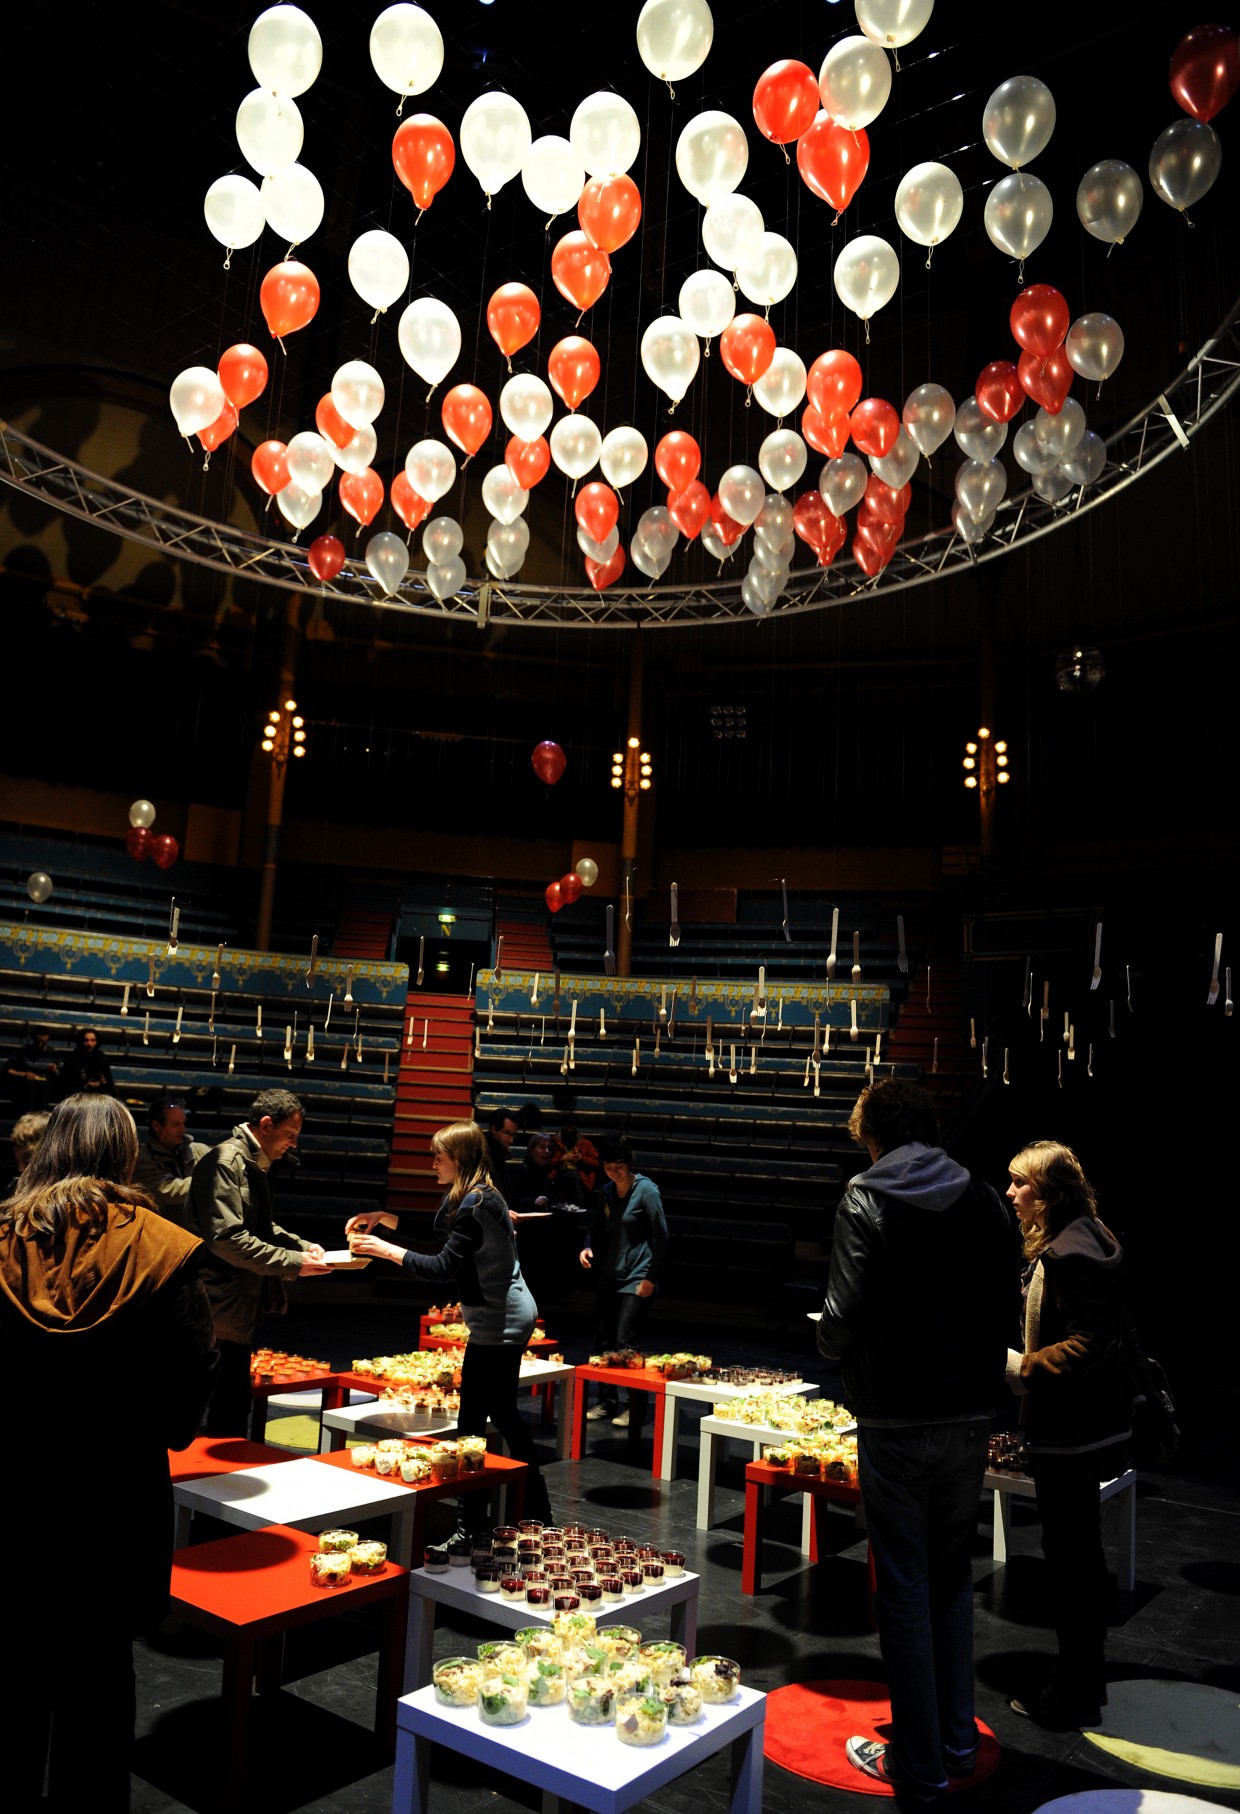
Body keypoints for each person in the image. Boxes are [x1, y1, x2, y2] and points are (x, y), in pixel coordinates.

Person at [0, 1094, 218, 1812]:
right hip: (112, 1504)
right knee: (97, 1702)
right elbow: (184, 1408)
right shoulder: (159, 1245)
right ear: (124, 1153)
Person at [816, 1079, 1017, 1798]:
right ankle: (956, 1744)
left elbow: (842, 1314)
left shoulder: (866, 1196)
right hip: (970, 1415)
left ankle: (919, 1765)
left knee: (902, 1585)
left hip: (897, 1416)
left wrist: (834, 1338)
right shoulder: (986, 1196)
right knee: (951, 1578)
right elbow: (1006, 1298)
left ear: (873, 1134)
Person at [346, 1119, 552, 1528]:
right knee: (500, 1413)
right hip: (500, 1313)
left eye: (437, 1157)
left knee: (475, 1420)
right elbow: (437, 1233)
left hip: (500, 1319)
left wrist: (385, 1250)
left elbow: (441, 1265)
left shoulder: (476, 1205)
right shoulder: (472, 1196)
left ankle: (474, 1522)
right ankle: (528, 1508)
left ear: (457, 1158)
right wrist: (386, 1217)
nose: (432, 1165)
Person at [1005, 1140, 1134, 1730]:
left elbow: (1087, 1342)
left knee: (1072, 1564)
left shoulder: (1069, 1253)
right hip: (1084, 1426)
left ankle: (1075, 1693)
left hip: (1069, 1430)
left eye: (1020, 1184)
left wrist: (1019, 1367)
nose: (1010, 1193)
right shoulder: (1088, 1236)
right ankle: (1084, 1680)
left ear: (1048, 1193)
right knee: (1079, 1560)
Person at [188, 1088, 330, 1435]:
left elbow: (260, 1227)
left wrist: (302, 1246)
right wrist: (293, 1261)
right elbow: (227, 1239)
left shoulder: (252, 1161)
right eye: (290, 1135)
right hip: (215, 1305)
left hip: (233, 1305)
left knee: (232, 1405)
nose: (293, 1144)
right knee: (208, 1408)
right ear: (266, 1124)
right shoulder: (227, 1161)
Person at [579, 1137, 668, 1428]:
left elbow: (661, 1236)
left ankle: (635, 1406)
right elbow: (595, 1228)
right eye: (608, 1167)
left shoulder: (646, 1191)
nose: (613, 1172)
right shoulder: (605, 1192)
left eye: (619, 1167)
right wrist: (587, 1246)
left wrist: (651, 1278)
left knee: (625, 1341)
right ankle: (607, 1400)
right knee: (602, 1340)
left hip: (637, 1275)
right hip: (610, 1274)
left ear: (629, 1165)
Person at [132, 1094, 209, 1229]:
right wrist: (211, 1182)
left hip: (197, 1236)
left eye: (183, 1123)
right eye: (176, 1124)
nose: (182, 1129)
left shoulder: (199, 1150)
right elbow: (165, 1190)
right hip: (160, 1235)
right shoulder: (141, 1158)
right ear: (157, 1125)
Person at [5, 1026, 60, 1111]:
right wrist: (24, 1074)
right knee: (31, 1086)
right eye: (38, 1042)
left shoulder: (53, 1053)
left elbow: (59, 1074)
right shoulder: (24, 1051)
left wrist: (55, 1070)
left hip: (45, 1085)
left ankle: (43, 1116)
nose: (40, 1045)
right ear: (33, 1039)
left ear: (48, 1039)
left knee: (43, 1086)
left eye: (43, 1042)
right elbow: (8, 1070)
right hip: (25, 1083)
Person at [59, 1026, 115, 1097]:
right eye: (86, 1040)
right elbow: (65, 1082)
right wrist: (85, 1084)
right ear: (81, 1041)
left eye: (92, 1040)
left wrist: (99, 1083)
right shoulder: (72, 1058)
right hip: (77, 1095)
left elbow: (109, 1081)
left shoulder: (101, 1057)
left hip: (98, 1094)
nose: (89, 1044)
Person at [483, 1107, 519, 1193]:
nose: (511, 1140)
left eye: (513, 1135)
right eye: (507, 1134)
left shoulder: (499, 1154)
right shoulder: (485, 1154)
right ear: (494, 1129)